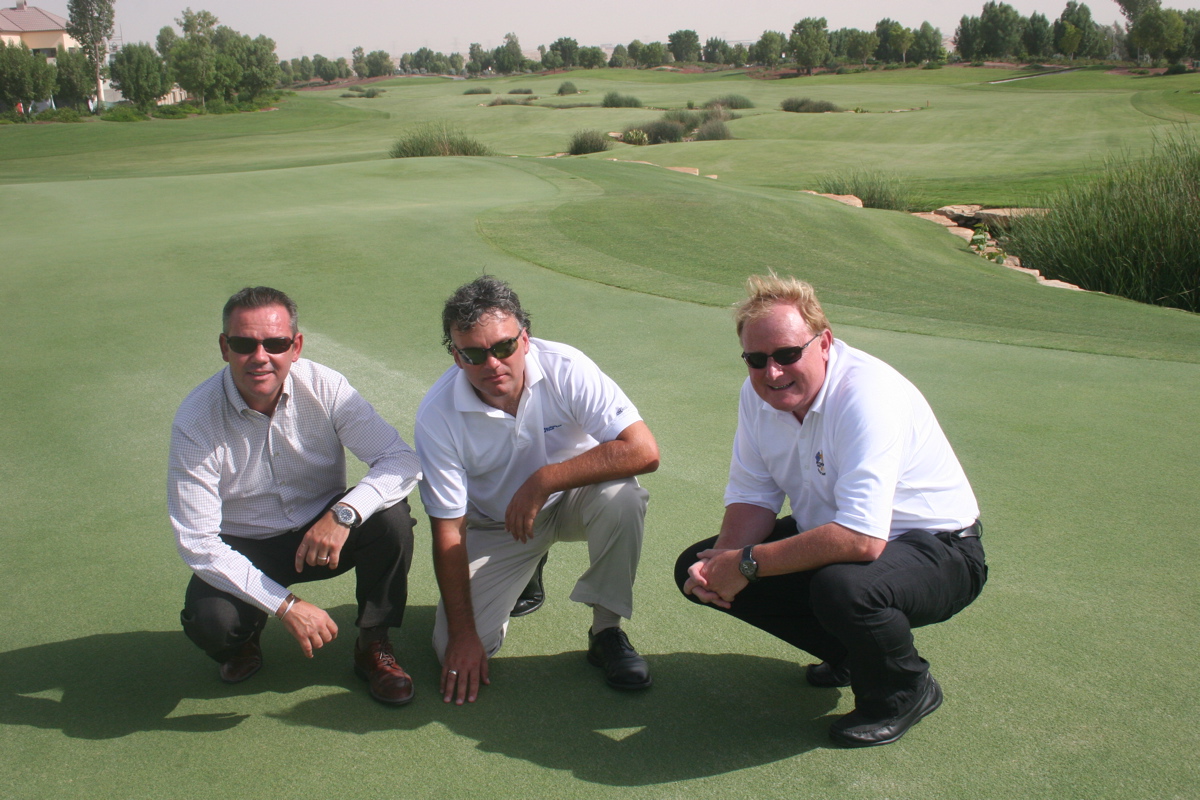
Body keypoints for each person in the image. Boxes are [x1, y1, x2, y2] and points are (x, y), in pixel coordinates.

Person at [676, 274, 987, 747]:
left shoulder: (868, 395)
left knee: (843, 587)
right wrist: (721, 563)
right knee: (697, 565)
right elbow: (754, 496)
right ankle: (854, 652)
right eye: (756, 360)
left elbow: (863, 539)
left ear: (823, 342)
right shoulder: (758, 395)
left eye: (786, 355)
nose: (772, 373)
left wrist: (746, 563)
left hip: (940, 550)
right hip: (838, 537)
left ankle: (905, 690)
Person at [168, 286, 423, 705]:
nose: (260, 356)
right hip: (246, 545)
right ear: (224, 347)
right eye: (244, 343)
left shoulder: (327, 386)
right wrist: (285, 605)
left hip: (322, 534)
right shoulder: (195, 420)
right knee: (210, 623)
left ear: (296, 345)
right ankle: (245, 637)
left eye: (276, 343)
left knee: (390, 519)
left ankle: (372, 645)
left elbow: (400, 460)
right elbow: (198, 542)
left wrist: (343, 514)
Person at [415, 276, 660, 704]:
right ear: (456, 357)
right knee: (452, 648)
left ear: (525, 339)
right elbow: (449, 531)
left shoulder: (567, 366)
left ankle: (606, 633)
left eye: (504, 347)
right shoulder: (436, 416)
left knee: (623, 497)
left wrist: (544, 480)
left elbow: (644, 451)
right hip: (497, 524)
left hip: (572, 500)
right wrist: (464, 634)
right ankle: (524, 569)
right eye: (473, 353)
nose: (491, 364)